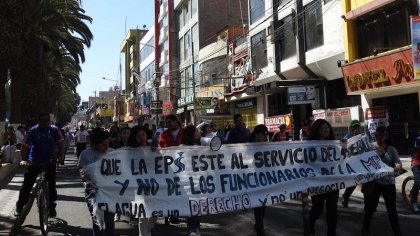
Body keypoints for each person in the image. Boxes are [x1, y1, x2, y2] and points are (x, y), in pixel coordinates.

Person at [15, 113, 65, 218]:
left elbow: (62, 144)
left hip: (50, 162)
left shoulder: (54, 130)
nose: (45, 123)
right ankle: (19, 207)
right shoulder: (33, 131)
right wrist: (23, 160)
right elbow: (24, 147)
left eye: (47, 121)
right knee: (26, 186)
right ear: (38, 121)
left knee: (51, 187)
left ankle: (51, 208)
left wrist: (61, 156)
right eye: (43, 121)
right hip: (34, 162)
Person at [362, 126, 403, 236]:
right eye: (376, 135)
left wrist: (398, 167)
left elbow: (398, 162)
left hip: (389, 183)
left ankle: (397, 232)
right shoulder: (370, 148)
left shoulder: (391, 149)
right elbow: (358, 156)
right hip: (374, 183)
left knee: (391, 209)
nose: (378, 137)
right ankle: (365, 228)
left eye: (380, 135)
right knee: (370, 207)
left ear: (386, 136)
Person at [78, 127, 115, 236]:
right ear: (94, 144)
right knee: (97, 220)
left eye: (107, 144)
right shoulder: (85, 154)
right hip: (93, 191)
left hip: (109, 191)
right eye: (103, 145)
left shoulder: (113, 153)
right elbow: (82, 174)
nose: (106, 147)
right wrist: (92, 181)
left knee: (109, 220)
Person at [307, 119, 338, 236]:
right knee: (318, 208)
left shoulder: (334, 144)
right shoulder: (309, 145)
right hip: (317, 182)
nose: (326, 130)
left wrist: (344, 145)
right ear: (317, 130)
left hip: (332, 182)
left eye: (327, 128)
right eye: (323, 128)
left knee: (332, 211)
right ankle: (310, 225)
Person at [127, 126, 157, 235]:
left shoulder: (153, 148)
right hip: (138, 186)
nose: (141, 138)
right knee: (143, 213)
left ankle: (147, 230)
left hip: (154, 185)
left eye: (143, 135)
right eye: (138, 136)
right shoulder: (130, 151)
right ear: (134, 138)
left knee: (154, 213)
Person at [181, 125, 202, 236]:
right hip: (187, 182)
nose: (199, 133)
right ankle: (192, 228)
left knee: (198, 205)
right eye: (197, 131)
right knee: (191, 205)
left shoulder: (199, 147)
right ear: (192, 133)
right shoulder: (180, 147)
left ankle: (195, 227)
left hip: (198, 182)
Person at [249, 124, 269, 236]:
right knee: (258, 206)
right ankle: (260, 229)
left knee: (263, 205)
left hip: (264, 180)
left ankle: (258, 226)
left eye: (266, 134)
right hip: (253, 181)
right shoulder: (249, 146)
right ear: (256, 134)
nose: (265, 137)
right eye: (263, 134)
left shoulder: (266, 146)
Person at [341, 119, 362, 208]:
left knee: (367, 181)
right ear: (351, 128)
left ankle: (369, 204)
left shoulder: (362, 137)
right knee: (354, 182)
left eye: (357, 127)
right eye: (354, 127)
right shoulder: (347, 137)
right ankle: (346, 196)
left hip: (361, 162)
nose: (356, 129)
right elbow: (342, 150)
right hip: (351, 163)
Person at [410, 133, 420, 212]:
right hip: (416, 163)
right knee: (417, 183)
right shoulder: (418, 139)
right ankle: (413, 203)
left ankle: (413, 191)